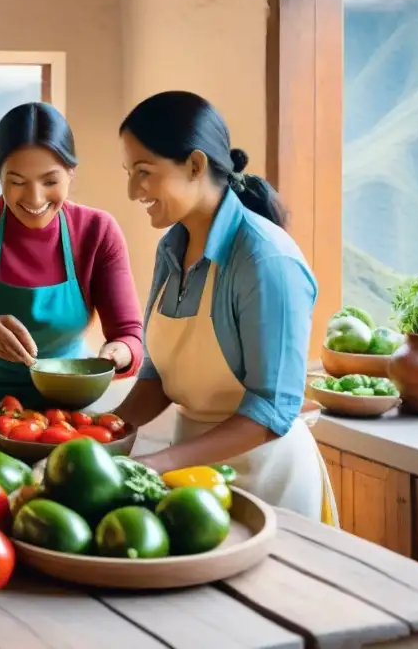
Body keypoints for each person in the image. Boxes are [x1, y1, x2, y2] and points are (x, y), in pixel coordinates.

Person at [112, 90, 337, 525]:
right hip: (193, 482)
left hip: (270, 481)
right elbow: (158, 376)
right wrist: (100, 433)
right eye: (129, 172)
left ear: (195, 165)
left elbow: (272, 410)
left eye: (144, 172)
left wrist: (159, 463)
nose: (132, 190)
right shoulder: (171, 248)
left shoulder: (265, 260)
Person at [0, 102, 144, 407]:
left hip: (69, 412)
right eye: (17, 182)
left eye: (50, 181)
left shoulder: (97, 232)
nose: (35, 199)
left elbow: (129, 336)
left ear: (71, 172)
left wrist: (118, 354)